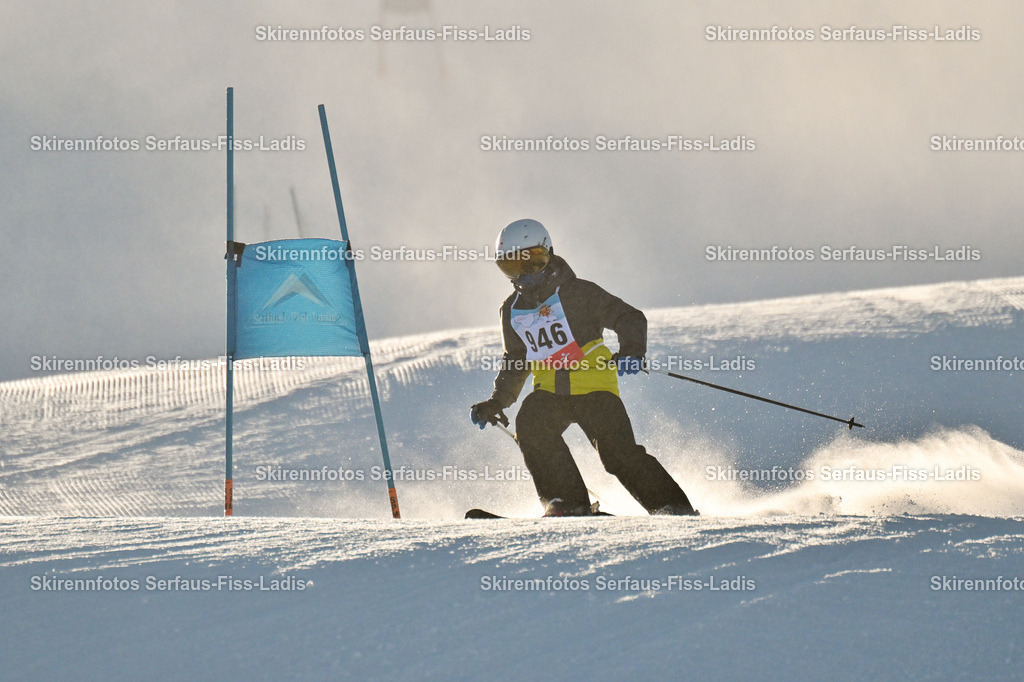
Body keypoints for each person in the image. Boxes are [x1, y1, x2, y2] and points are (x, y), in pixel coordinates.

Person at [471, 219, 698, 516]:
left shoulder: (579, 293)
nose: (524, 274)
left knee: (617, 454)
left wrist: (631, 351)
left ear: (549, 255)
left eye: (533, 262)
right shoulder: (511, 310)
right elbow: (516, 360)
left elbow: (629, 317)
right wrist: (497, 401)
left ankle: (673, 507)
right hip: (550, 392)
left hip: (595, 389)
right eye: (513, 266)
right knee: (531, 425)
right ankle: (567, 504)